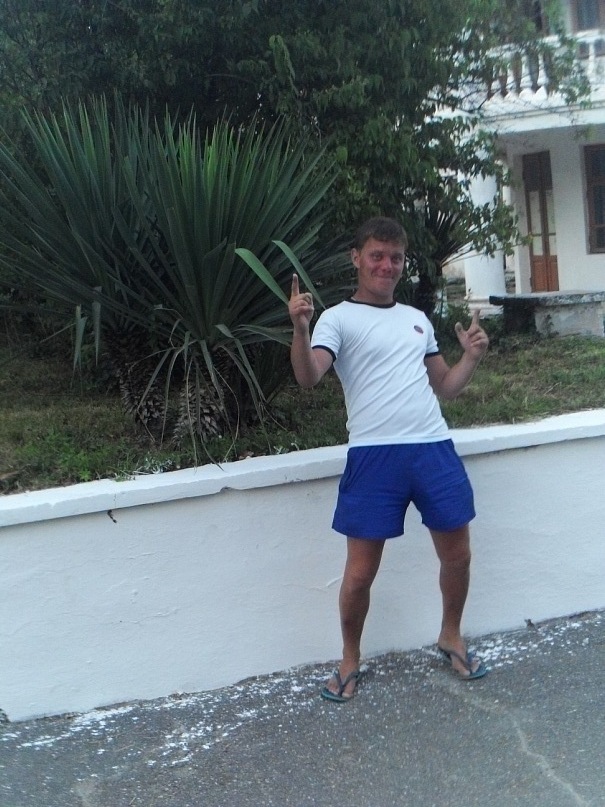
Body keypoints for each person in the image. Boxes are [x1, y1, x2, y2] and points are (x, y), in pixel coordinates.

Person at [288, 216, 490, 703]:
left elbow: (445, 387)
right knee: (360, 572)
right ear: (357, 258)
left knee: (458, 554)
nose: (386, 265)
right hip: (373, 455)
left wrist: (470, 358)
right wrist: (300, 328)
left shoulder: (416, 318)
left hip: (433, 448)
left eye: (395, 258)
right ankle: (350, 659)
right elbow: (309, 377)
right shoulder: (337, 319)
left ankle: (451, 636)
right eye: (376, 256)